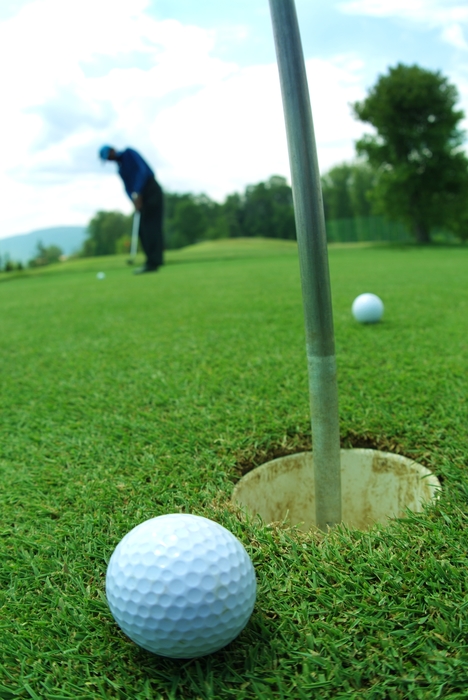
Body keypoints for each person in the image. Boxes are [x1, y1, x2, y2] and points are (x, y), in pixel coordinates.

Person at [99, 145, 164, 274]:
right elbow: (127, 187)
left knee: (151, 227)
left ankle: (154, 262)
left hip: (151, 191)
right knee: (142, 230)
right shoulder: (120, 169)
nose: (110, 160)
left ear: (112, 150)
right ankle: (151, 261)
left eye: (109, 156)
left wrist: (138, 192)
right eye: (107, 159)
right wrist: (133, 199)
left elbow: (143, 171)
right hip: (140, 198)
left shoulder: (129, 153)